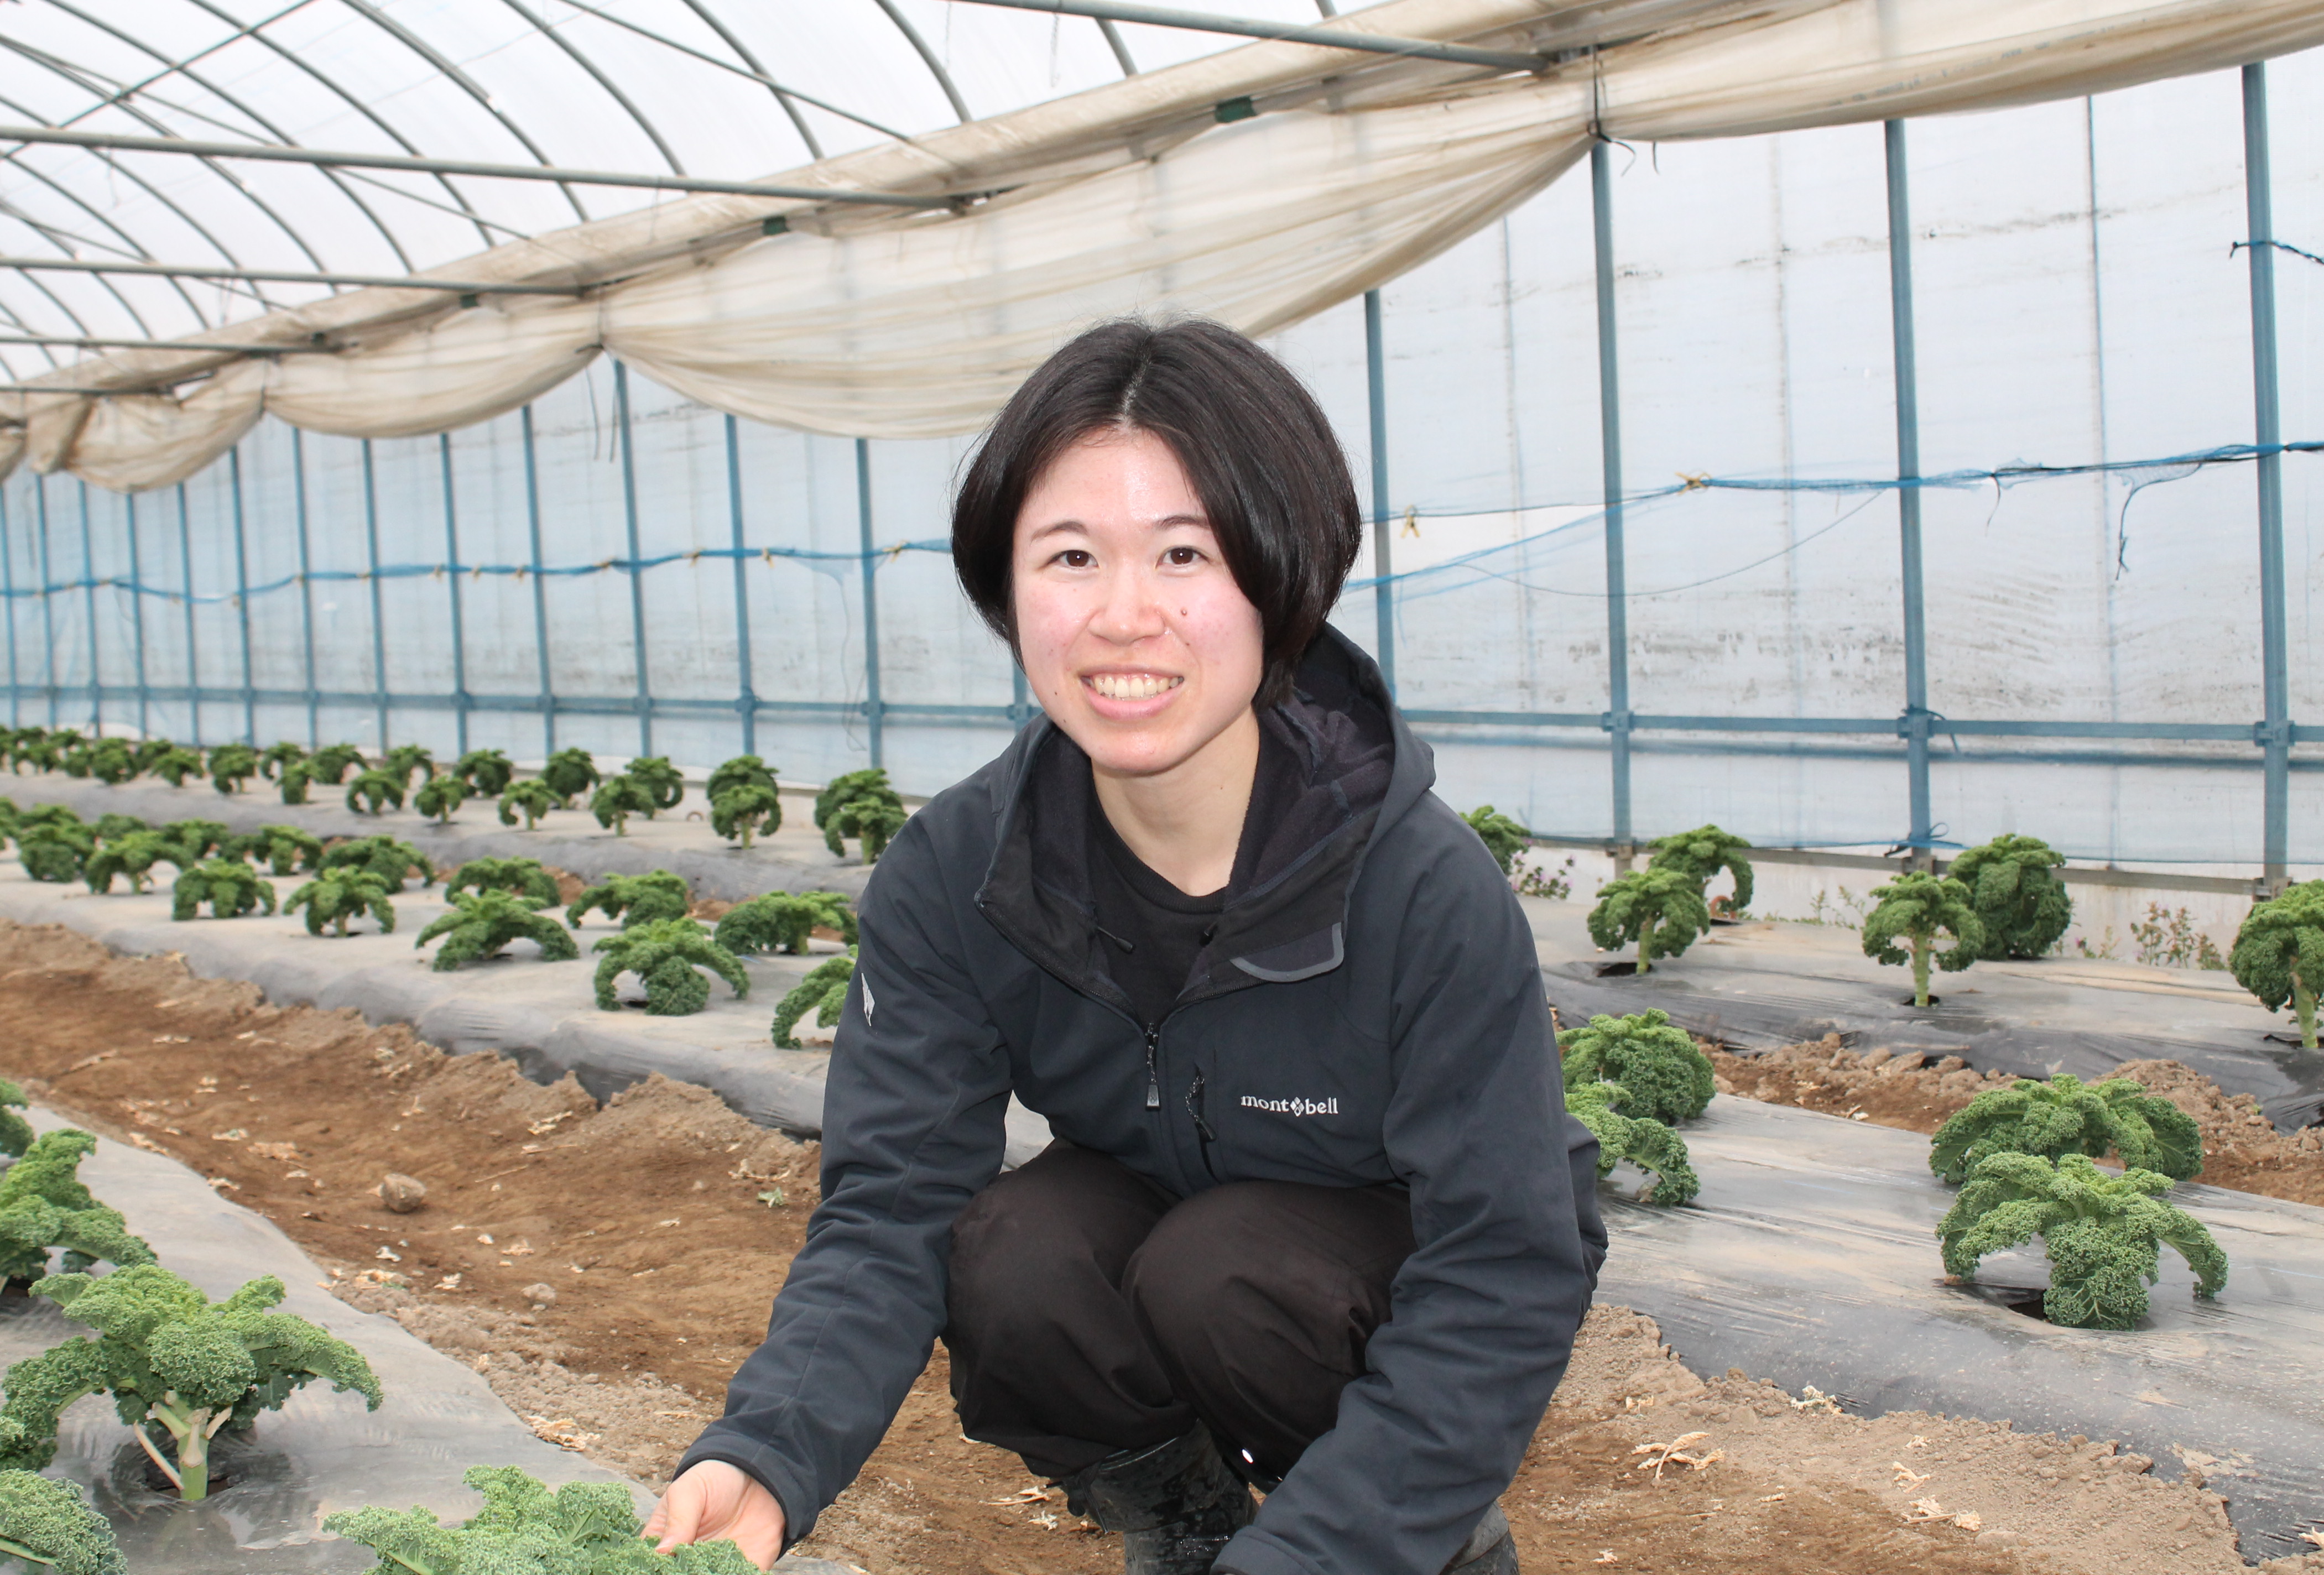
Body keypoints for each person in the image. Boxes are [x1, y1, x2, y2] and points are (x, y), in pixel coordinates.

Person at [646, 317, 1607, 1575]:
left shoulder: (1419, 885)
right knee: (1017, 1257)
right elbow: (892, 1205)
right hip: (1158, 1202)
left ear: (1280, 576)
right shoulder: (959, 870)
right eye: (1070, 556)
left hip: (1379, 1259)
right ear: (1006, 591)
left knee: (1227, 1274)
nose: (1123, 616)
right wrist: (767, 1453)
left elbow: (1500, 1264)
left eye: (1183, 553)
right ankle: (1182, 1521)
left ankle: (1413, 1531)